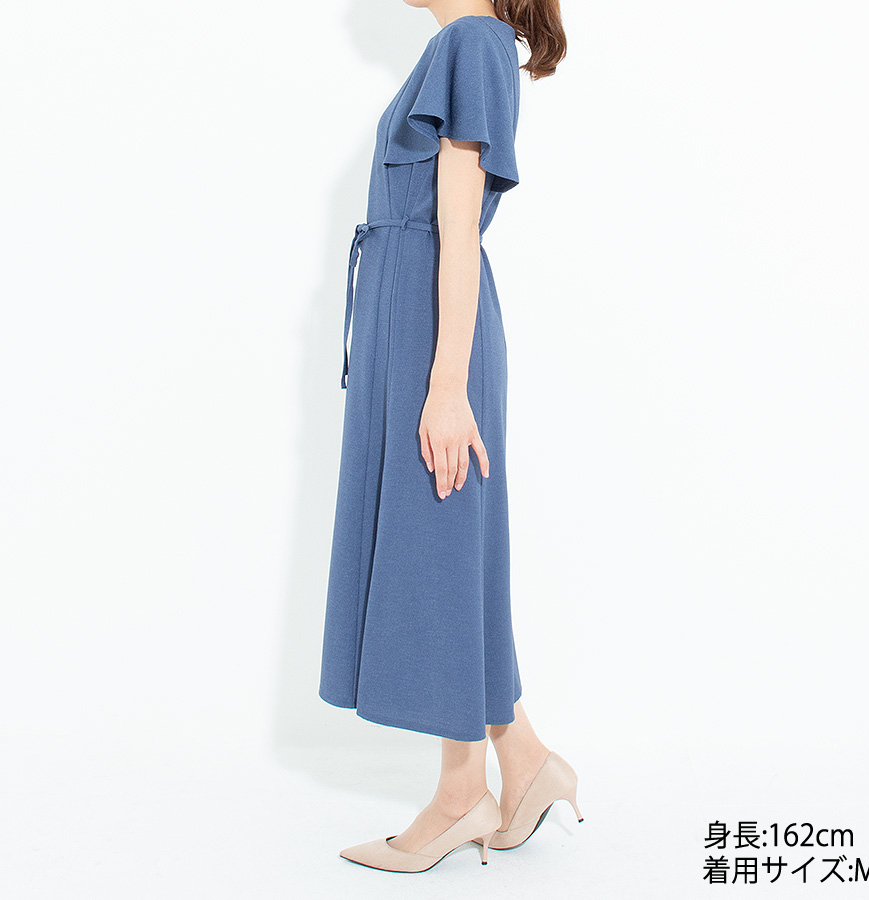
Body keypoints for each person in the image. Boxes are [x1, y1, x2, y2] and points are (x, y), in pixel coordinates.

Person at [318, 0, 579, 872]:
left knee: (438, 549)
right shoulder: (461, 49)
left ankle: (463, 796)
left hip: (434, 335)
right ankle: (523, 764)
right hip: (409, 324)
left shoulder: (471, 43)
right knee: (444, 547)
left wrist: (445, 385)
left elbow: (457, 225)